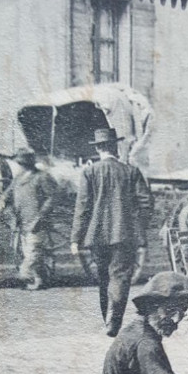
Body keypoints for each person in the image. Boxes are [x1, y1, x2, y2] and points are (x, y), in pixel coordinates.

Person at [71, 126, 153, 336]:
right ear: (115, 147)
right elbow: (146, 203)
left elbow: (83, 207)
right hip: (124, 235)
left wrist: (75, 239)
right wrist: (138, 228)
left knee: (103, 278)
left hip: (97, 236)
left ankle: (105, 319)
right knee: (120, 278)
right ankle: (113, 321)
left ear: (98, 149)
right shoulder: (130, 171)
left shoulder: (89, 172)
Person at [0, 148, 57, 290]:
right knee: (28, 250)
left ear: (27, 164)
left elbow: (52, 197)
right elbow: (8, 193)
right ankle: (40, 279)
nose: (19, 166)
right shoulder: (18, 178)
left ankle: (24, 273)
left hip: (37, 221)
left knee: (33, 250)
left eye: (21, 163)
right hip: (21, 220)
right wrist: (2, 201)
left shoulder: (42, 177)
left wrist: (41, 215)